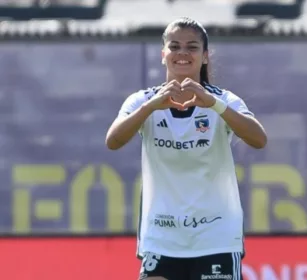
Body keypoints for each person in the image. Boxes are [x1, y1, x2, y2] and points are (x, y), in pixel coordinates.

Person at [105, 17, 267, 280]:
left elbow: (259, 139)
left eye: (192, 47)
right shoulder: (143, 101)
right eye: (174, 46)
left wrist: (213, 104)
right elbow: (113, 141)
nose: (182, 53)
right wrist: (150, 108)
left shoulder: (223, 100)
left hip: (216, 237)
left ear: (205, 56)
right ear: (163, 55)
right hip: (162, 237)